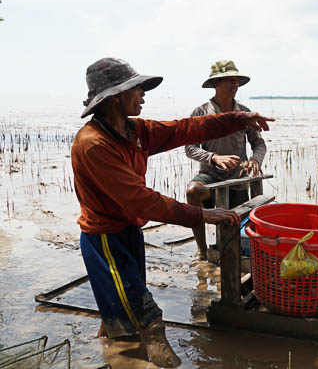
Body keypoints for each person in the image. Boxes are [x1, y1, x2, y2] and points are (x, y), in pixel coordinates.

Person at [71, 58, 273, 368]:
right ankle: (145, 352)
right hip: (105, 239)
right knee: (146, 315)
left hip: (129, 231)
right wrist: (201, 215)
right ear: (115, 97)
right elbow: (140, 201)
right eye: (136, 89)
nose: (143, 95)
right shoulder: (93, 144)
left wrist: (240, 119)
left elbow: (185, 130)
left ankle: (116, 349)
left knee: (121, 309)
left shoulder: (134, 130)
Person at [185, 60, 266, 260]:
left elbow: (259, 144)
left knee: (234, 227)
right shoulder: (200, 113)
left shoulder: (244, 114)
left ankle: (234, 254)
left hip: (237, 178)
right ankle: (202, 252)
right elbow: (190, 147)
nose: (234, 85)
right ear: (216, 84)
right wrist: (213, 157)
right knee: (192, 191)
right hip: (210, 175)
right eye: (229, 80)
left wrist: (256, 160)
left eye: (236, 81)